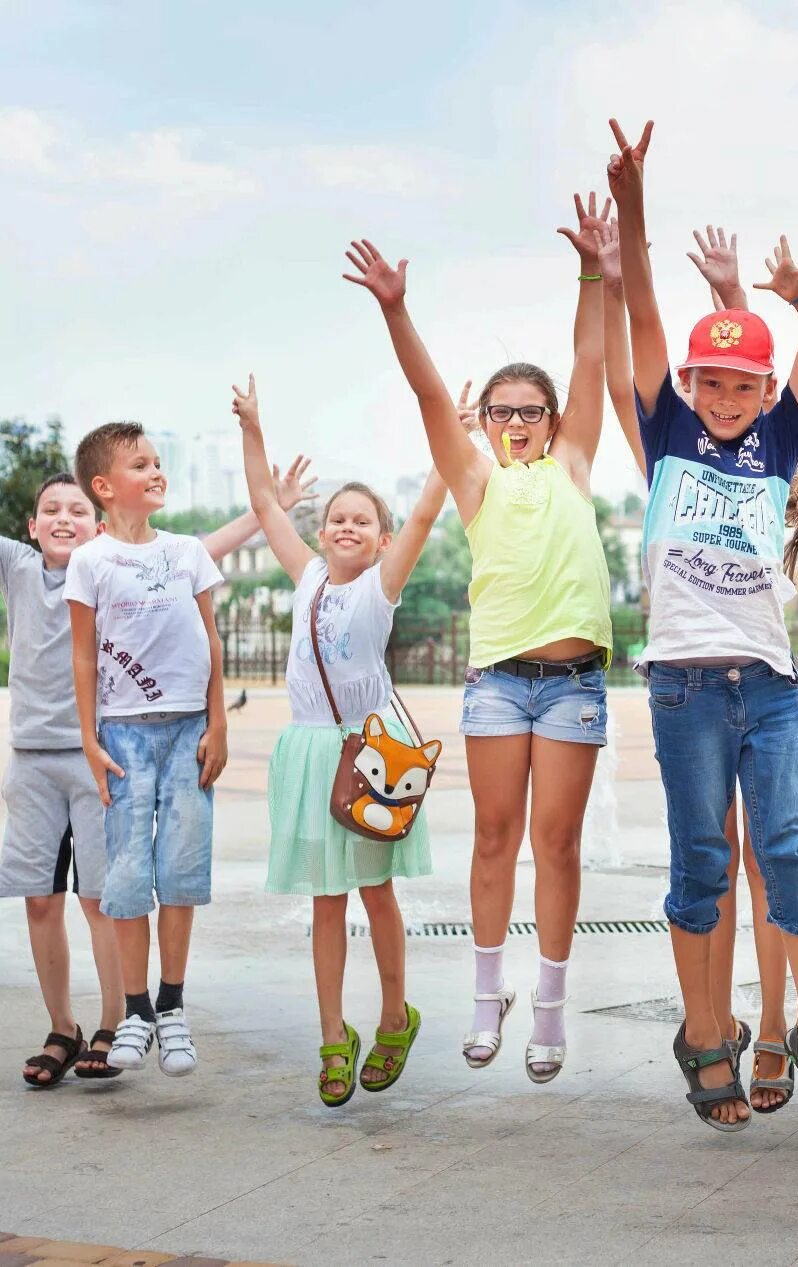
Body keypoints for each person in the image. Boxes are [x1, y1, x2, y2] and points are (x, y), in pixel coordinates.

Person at [0, 417, 307, 1084]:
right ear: (31, 523)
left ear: (99, 517)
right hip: (35, 760)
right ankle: (63, 1027)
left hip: (104, 753)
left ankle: (116, 1020)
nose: (64, 517)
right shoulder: (15, 566)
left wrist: (269, 508)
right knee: (40, 899)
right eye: (52, 508)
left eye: (78, 507)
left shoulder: (119, 566)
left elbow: (204, 547)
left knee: (105, 895)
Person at [608, 116, 798, 1128]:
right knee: (700, 857)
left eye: (743, 383)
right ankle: (702, 1032)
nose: (726, 396)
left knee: (785, 847)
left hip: (769, 686)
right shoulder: (665, 436)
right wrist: (632, 201)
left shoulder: (779, 439)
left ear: (767, 392)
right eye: (710, 381)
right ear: (688, 384)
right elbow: (642, 306)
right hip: (685, 684)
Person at [342, 193, 610, 1083]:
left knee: (558, 843)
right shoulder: (476, 482)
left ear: (555, 419)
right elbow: (426, 392)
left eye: (533, 409)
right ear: (485, 422)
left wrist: (592, 272)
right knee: (495, 835)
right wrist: (395, 309)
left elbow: (590, 355)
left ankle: (551, 1005)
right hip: (498, 682)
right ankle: (487, 993)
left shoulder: (572, 467)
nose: (519, 421)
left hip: (571, 684)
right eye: (503, 410)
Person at [233, 375, 449, 1105]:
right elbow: (266, 503)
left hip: (370, 756)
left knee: (376, 891)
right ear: (321, 534)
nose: (346, 527)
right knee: (326, 900)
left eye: (362, 520)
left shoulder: (379, 588)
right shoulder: (308, 579)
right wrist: (253, 426)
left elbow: (424, 512)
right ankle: (332, 1034)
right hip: (311, 753)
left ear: (382, 539)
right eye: (335, 519)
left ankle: (395, 1014)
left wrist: (451, 433)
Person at [65, 420, 232, 1078]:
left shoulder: (189, 551)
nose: (156, 472)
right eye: (141, 464)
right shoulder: (91, 561)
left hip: (190, 730)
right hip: (125, 732)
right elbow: (81, 656)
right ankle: (133, 1009)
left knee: (183, 866)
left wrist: (218, 722)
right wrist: (88, 738)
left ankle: (172, 1004)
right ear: (105, 487)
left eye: (159, 461)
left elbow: (212, 641)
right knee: (130, 871)